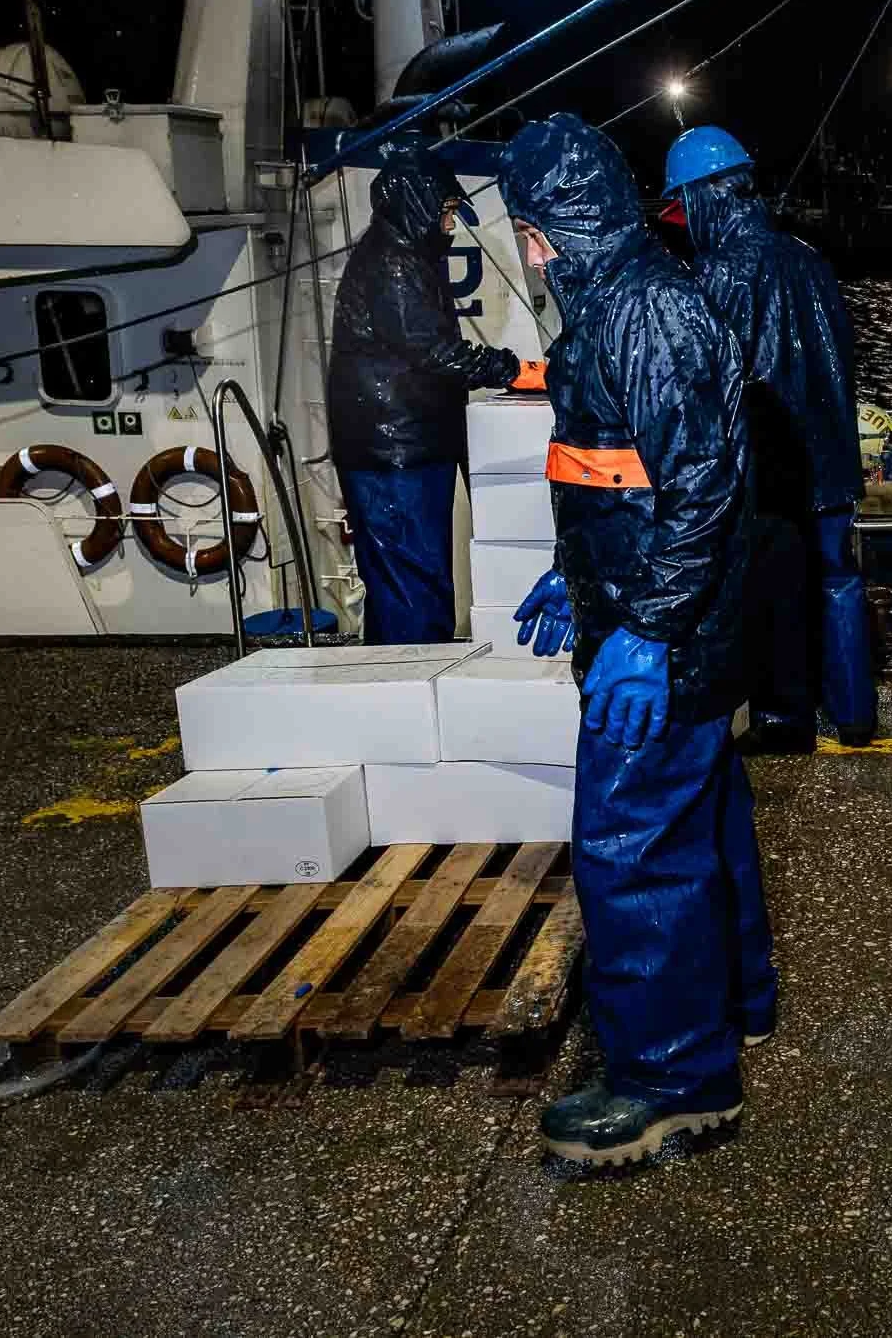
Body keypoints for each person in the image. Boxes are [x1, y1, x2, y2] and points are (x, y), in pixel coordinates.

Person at [498, 113, 770, 1170]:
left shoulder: (640, 315)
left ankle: (669, 1079)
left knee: (631, 849)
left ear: (549, 229)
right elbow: (626, 474)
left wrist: (645, 631)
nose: (524, 253)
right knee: (704, 829)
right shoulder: (629, 303)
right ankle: (734, 1009)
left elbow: (703, 485)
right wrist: (575, 576)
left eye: (524, 234)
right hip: (664, 618)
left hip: (661, 640)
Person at [661, 124, 877, 752]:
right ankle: (855, 715)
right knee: (837, 579)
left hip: (770, 463)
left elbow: (706, 378)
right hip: (831, 453)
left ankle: (786, 717)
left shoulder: (721, 272)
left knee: (771, 587)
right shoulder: (809, 259)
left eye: (683, 205)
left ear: (704, 197)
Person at [325, 150, 537, 644]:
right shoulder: (394, 265)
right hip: (394, 456)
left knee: (410, 584)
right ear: (418, 207)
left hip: (405, 451)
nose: (449, 226)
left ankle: (397, 692)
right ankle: (411, 697)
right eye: (444, 212)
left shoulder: (402, 256)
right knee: (413, 590)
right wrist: (515, 370)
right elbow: (434, 352)